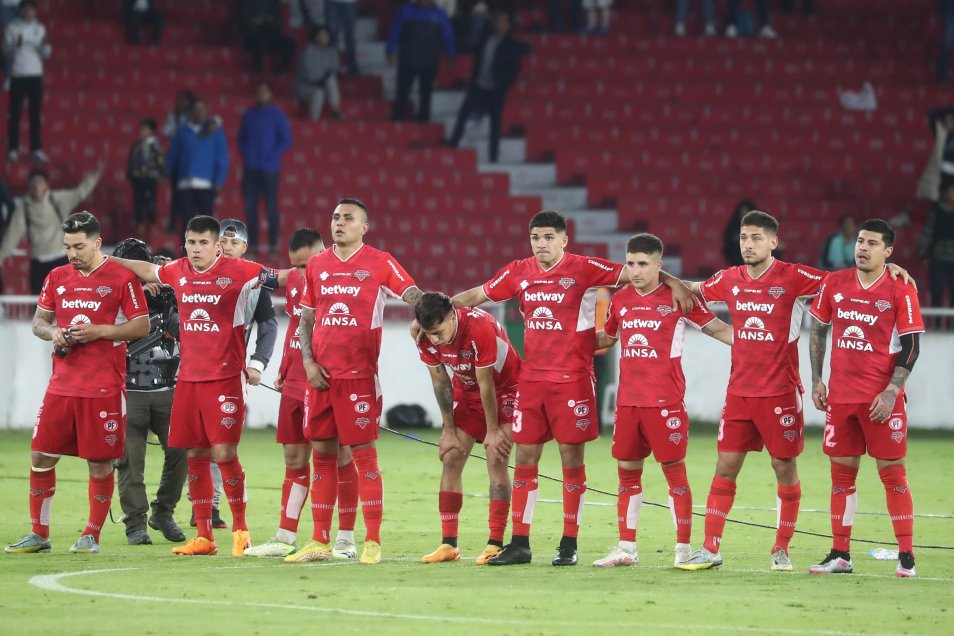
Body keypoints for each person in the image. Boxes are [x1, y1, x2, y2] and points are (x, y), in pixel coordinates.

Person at [449, 210, 692, 566]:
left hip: (573, 380)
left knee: (571, 460)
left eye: (549, 237)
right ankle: (520, 543)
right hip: (532, 380)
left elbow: (640, 272)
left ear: (564, 239)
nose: (541, 244)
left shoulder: (585, 268)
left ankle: (569, 543)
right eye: (535, 237)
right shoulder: (518, 271)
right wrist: (434, 310)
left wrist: (676, 283)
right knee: (525, 459)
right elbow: (476, 295)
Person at [675, 210, 910, 572]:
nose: (748, 244)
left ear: (773, 242)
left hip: (781, 392)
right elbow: (694, 288)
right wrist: (656, 275)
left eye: (756, 238)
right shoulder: (730, 277)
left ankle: (781, 548)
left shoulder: (795, 276)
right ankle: (710, 548)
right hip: (739, 392)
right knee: (725, 466)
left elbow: (845, 280)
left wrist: (889, 268)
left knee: (784, 467)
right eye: (743, 237)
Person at [110, 215, 280, 557]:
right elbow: (147, 270)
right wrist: (104, 260)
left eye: (204, 243)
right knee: (195, 455)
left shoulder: (242, 271)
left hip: (226, 379)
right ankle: (204, 536)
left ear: (217, 246)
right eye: (192, 242)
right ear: (184, 244)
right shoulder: (178, 271)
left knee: (224, 453)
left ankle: (241, 530)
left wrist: (321, 274)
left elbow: (283, 280)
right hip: (188, 380)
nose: (197, 248)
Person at [283, 198, 423, 565]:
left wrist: (430, 312)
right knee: (322, 458)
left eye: (348, 218)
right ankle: (319, 539)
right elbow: (306, 320)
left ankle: (372, 541)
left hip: (359, 378)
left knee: (364, 458)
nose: (339, 223)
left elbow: (413, 295)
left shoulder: (380, 261)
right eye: (335, 217)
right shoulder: (317, 264)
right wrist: (308, 362)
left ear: (364, 227)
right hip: (321, 378)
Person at [4, 212, 149, 555]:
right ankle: (39, 533)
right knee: (41, 456)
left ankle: (91, 535)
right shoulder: (56, 276)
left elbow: (141, 325)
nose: (72, 253)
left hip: (103, 387)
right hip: (62, 385)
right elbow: (39, 322)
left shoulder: (122, 278)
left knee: (99, 462)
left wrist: (100, 331)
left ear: (97, 243)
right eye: (67, 246)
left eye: (79, 246)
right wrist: (53, 332)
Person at [591, 233, 732, 568]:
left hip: (665, 403)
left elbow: (719, 329)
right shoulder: (620, 299)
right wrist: (566, 338)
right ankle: (626, 548)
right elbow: (607, 338)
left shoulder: (678, 298)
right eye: (630, 263)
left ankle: (683, 549)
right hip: (628, 404)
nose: (635, 270)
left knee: (675, 476)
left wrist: (760, 343)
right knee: (627, 475)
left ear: (658, 265)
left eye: (643, 264)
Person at [808, 219, 924, 578]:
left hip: (880, 402)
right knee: (841, 478)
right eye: (860, 241)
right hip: (841, 399)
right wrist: (816, 379)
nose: (863, 247)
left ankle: (906, 557)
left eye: (872, 243)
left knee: (893, 476)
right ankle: (840, 555)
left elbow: (912, 346)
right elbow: (818, 330)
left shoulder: (901, 288)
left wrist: (892, 391)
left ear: (888, 251)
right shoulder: (834, 282)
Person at [244, 228, 362, 559]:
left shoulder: (346, 283)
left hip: (330, 382)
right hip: (296, 382)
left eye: (306, 265)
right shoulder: (297, 278)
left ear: (324, 253)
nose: (301, 272)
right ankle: (285, 536)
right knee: (294, 459)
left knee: (341, 457)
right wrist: (284, 367)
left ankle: (346, 538)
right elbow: (296, 326)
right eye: (296, 266)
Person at [414, 292, 521, 565]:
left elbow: (487, 383)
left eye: (438, 332)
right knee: (451, 457)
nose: (434, 339)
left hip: (506, 389)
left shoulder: (480, 328)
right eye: (429, 333)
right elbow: (440, 382)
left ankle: (495, 543)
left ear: (452, 317)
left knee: (496, 457)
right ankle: (449, 544)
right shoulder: (423, 335)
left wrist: (493, 431)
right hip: (467, 390)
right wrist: (448, 430)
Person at [111, 238, 187, 546]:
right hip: (128, 391)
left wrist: (169, 290)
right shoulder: (111, 295)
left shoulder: (168, 291)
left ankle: (163, 512)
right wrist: (136, 297)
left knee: (181, 451)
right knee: (131, 461)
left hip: (169, 389)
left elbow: (187, 324)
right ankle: (135, 524)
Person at [0, 165, 103, 294]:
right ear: (29, 186)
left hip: (61, 259)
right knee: (39, 303)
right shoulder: (24, 208)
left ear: (46, 185)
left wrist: (95, 175)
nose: (37, 186)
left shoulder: (58, 199)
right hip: (38, 262)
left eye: (40, 182)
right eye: (33, 182)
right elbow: (12, 235)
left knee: (67, 300)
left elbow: (80, 192)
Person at [446, 12, 529, 163]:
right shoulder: (485, 39)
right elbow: (477, 57)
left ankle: (493, 155)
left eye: (503, 22)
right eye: (498, 21)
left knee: (495, 122)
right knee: (463, 114)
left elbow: (514, 69)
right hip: (478, 85)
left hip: (496, 89)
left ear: (508, 26)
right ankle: (453, 144)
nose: (499, 24)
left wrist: (503, 84)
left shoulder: (512, 45)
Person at [238, 83, 292, 255]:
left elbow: (286, 140)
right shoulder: (249, 114)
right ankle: (253, 245)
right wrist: (247, 155)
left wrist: (271, 155)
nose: (261, 95)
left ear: (270, 95)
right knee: (250, 208)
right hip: (251, 169)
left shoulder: (277, 115)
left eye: (265, 92)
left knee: (270, 207)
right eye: (259, 92)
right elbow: (241, 138)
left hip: (270, 169)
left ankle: (273, 244)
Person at [386, 0, 457, 122]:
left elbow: (448, 36)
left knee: (426, 93)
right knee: (402, 91)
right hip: (408, 58)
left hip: (429, 60)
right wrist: (390, 49)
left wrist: (451, 55)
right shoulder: (406, 10)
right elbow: (396, 30)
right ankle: (398, 120)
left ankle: (423, 122)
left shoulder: (440, 14)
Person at [167, 99, 229, 228]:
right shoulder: (182, 131)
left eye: (202, 109)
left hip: (206, 184)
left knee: (206, 224)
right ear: (191, 112)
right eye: (196, 109)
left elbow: (222, 157)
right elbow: (173, 155)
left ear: (207, 112)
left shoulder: (215, 131)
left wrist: (219, 180)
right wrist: (167, 171)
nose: (199, 112)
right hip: (185, 183)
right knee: (187, 223)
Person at [5, 0, 51, 163]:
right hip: (18, 74)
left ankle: (36, 149)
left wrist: (44, 46)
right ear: (21, 11)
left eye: (31, 9)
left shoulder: (40, 28)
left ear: (35, 11)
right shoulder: (12, 28)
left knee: (35, 114)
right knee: (15, 113)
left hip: (35, 74)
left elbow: (46, 54)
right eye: (25, 9)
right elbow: (6, 54)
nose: (28, 12)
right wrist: (15, 46)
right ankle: (13, 149)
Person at [919, 180, 954, 317]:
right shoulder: (937, 212)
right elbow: (928, 233)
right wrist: (924, 253)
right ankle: (936, 322)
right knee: (937, 290)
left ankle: (952, 325)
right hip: (938, 258)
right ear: (945, 194)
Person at [126, 117, 166, 238]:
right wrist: (130, 173)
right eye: (141, 129)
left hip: (150, 178)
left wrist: (161, 172)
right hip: (137, 178)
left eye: (145, 129)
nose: (142, 131)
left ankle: (152, 226)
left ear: (151, 131)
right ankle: (139, 226)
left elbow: (160, 161)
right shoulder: (137, 144)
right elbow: (131, 160)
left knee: (150, 202)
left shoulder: (155, 145)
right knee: (138, 202)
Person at [295, 26, 343, 121]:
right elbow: (308, 74)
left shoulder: (332, 51)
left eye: (325, 35)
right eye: (320, 35)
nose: (323, 38)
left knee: (331, 79)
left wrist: (327, 77)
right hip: (306, 86)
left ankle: (335, 111)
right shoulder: (308, 50)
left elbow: (335, 70)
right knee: (318, 93)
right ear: (315, 37)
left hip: (326, 86)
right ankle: (314, 122)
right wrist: (323, 78)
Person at [241, 0, 296, 73]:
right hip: (253, 35)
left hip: (271, 34)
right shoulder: (247, 2)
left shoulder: (274, 2)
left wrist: (269, 20)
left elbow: (279, 22)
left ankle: (280, 71)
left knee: (290, 45)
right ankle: (256, 72)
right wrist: (258, 22)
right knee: (260, 41)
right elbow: (245, 23)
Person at [325, 0, 359, 75]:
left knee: (350, 36)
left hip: (350, 3)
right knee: (332, 36)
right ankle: (332, 67)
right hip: (332, 3)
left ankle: (352, 66)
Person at [721, 199, 756, 267]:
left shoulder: (759, 225)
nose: (744, 215)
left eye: (746, 213)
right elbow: (729, 239)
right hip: (737, 255)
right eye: (742, 213)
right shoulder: (733, 225)